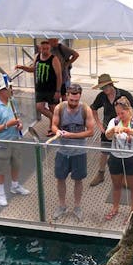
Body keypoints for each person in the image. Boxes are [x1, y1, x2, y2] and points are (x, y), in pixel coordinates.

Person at [50, 83, 95, 222]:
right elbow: (53, 125)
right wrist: (57, 131)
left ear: (80, 97)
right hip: (62, 151)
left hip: (79, 152)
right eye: (71, 100)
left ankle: (77, 206)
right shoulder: (60, 108)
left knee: (78, 180)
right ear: (67, 96)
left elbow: (91, 131)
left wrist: (71, 135)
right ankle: (62, 205)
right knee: (60, 179)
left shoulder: (85, 109)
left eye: (76, 100)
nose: (74, 103)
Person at [87, 73, 133, 187]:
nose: (104, 89)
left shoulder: (124, 94)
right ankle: (101, 174)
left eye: (106, 86)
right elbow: (93, 108)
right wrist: (99, 124)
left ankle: (125, 176)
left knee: (124, 151)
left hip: (123, 128)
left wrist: (132, 123)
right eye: (102, 87)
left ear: (111, 85)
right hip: (108, 127)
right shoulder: (101, 96)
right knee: (104, 151)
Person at [0, 79, 30, 207]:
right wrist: (7, 125)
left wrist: (19, 124)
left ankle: (15, 186)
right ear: (1, 91)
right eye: (9, 88)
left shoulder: (12, 101)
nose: (12, 90)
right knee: (2, 168)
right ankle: (1, 193)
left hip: (15, 139)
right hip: (2, 143)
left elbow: (17, 118)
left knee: (16, 163)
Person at [104, 97, 133, 220]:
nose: (120, 116)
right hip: (115, 158)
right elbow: (107, 135)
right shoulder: (114, 122)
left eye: (122, 113)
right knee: (116, 185)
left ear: (129, 111)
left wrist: (126, 130)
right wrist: (113, 130)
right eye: (118, 113)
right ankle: (115, 208)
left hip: (131, 158)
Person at [15, 40, 62, 136]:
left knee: (52, 108)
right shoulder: (37, 57)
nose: (45, 50)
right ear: (40, 49)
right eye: (43, 48)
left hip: (51, 89)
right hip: (40, 89)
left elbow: (59, 76)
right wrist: (22, 67)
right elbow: (33, 69)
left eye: (47, 49)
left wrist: (58, 90)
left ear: (50, 49)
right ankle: (56, 121)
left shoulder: (54, 59)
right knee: (39, 107)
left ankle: (52, 128)